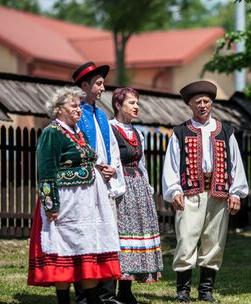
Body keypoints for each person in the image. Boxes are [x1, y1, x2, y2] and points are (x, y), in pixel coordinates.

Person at [27, 87, 121, 304]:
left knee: (86, 249)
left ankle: (91, 299)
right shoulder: (52, 133)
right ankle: (63, 301)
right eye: (74, 106)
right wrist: (51, 205)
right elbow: (46, 169)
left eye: (80, 106)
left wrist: (99, 167)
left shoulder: (77, 131)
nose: (79, 109)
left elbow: (86, 158)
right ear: (59, 109)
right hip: (67, 202)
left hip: (85, 203)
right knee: (65, 252)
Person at [162, 80, 249, 302]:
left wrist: (236, 193)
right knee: (187, 239)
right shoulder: (180, 132)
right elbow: (171, 164)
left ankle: (206, 291)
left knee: (214, 241)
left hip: (219, 192)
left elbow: (235, 163)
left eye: (207, 101)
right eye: (198, 102)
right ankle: (183, 291)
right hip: (190, 193)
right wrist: (174, 191)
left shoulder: (225, 131)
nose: (203, 105)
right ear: (190, 105)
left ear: (212, 104)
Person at [72, 62, 126, 304]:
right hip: (84, 187)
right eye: (98, 83)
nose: (103, 87)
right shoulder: (74, 115)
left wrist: (113, 168)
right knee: (85, 237)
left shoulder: (102, 115)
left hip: (104, 186)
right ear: (85, 86)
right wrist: (94, 168)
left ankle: (106, 293)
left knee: (107, 237)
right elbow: (73, 150)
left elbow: (112, 149)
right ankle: (85, 294)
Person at [109, 87, 164, 303]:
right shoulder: (110, 129)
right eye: (131, 103)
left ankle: (125, 289)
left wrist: (147, 187)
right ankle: (109, 290)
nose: (136, 107)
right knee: (120, 236)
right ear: (117, 105)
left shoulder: (138, 133)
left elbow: (142, 163)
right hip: (119, 187)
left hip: (138, 187)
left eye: (137, 103)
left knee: (135, 236)